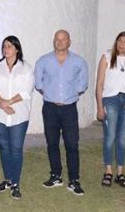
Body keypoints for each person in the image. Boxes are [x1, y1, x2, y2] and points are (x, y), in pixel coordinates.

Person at [34, 30, 89, 196]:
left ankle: (74, 180)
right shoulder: (43, 61)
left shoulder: (79, 62)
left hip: (69, 108)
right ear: (54, 41)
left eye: (63, 39)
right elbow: (38, 83)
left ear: (69, 42)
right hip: (50, 108)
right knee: (52, 144)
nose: (59, 42)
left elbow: (83, 84)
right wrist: (51, 94)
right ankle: (55, 175)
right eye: (57, 39)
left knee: (72, 145)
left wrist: (72, 94)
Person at [0, 36, 35, 200]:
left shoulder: (26, 68)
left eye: (9, 46)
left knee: (16, 149)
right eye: (4, 46)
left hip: (18, 115)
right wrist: (1, 104)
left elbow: (26, 91)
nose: (6, 49)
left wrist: (9, 102)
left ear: (16, 49)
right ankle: (7, 180)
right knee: (4, 147)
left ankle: (16, 183)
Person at [95, 31, 125, 189]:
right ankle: (108, 171)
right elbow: (99, 83)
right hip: (111, 100)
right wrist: (100, 106)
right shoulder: (107, 56)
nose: (121, 44)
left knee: (122, 138)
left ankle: (120, 173)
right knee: (110, 137)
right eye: (119, 40)